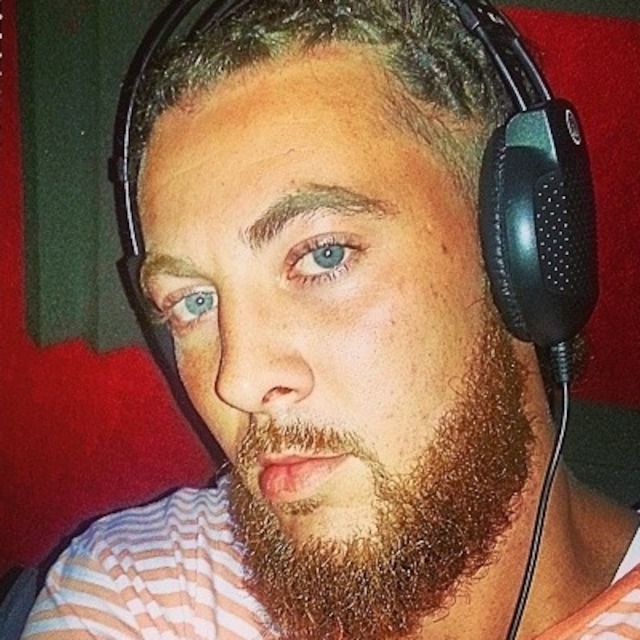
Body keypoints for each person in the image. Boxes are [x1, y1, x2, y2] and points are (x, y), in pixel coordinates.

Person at [22, 1, 640, 638]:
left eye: (324, 255)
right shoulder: (139, 590)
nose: (238, 381)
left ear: (522, 258)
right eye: (194, 301)